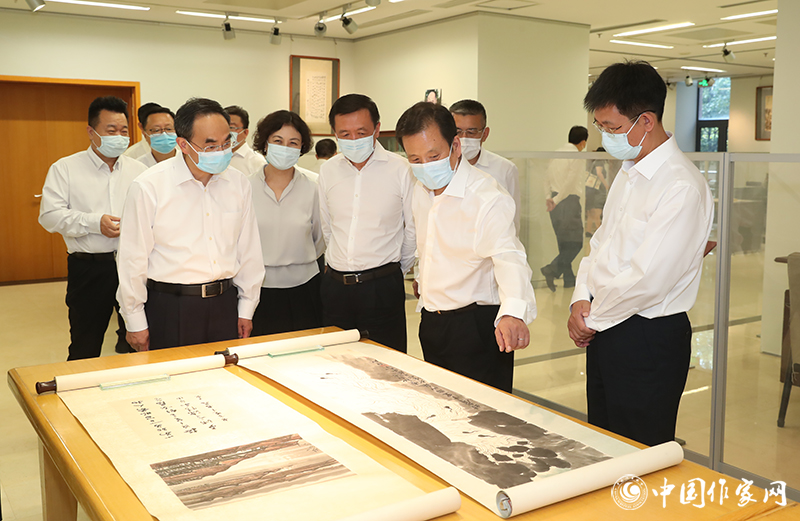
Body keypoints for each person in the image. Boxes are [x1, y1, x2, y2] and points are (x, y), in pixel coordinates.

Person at [568, 61, 714, 447]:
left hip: (647, 337)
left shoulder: (681, 186)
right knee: (604, 442)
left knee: (639, 452)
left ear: (646, 121)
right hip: (605, 325)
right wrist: (581, 297)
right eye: (600, 126)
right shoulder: (628, 172)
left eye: (613, 128)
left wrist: (592, 318)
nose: (606, 137)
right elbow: (600, 243)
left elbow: (649, 279)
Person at [395, 102, 536, 393]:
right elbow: (428, 242)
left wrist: (513, 312)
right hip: (432, 322)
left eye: (433, 156)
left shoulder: (486, 197)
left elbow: (509, 257)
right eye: (415, 159)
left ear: (456, 146)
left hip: (475, 326)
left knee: (485, 411)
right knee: (440, 404)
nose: (425, 166)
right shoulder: (421, 191)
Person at [117, 97, 264, 351]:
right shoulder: (149, 186)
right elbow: (132, 259)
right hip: (171, 305)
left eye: (226, 143)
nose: (221, 152)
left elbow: (249, 249)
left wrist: (247, 307)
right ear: (183, 144)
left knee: (225, 373)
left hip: (225, 303)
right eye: (210, 146)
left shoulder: (238, 183)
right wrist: (135, 321)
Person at [39, 96, 147, 360]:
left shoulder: (139, 170)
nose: (119, 137)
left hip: (133, 266)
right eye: (111, 130)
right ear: (91, 131)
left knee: (138, 340)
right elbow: (49, 216)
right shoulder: (65, 168)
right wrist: (94, 223)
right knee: (85, 343)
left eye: (124, 131)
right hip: (89, 268)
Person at [319, 93, 415, 353]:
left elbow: (413, 230)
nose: (353, 140)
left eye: (361, 132)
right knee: (336, 361)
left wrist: (394, 271)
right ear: (335, 134)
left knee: (386, 361)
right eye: (345, 134)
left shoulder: (402, 169)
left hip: (381, 287)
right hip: (335, 288)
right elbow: (328, 227)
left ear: (377, 129)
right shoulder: (328, 170)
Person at [249, 110, 324, 336]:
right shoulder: (245, 188)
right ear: (265, 144)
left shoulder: (313, 188)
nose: (285, 148)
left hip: (305, 287)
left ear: (302, 148)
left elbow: (320, 239)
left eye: (293, 143)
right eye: (278, 141)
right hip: (257, 289)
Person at [449, 99, 521, 232]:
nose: (464, 138)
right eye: (458, 131)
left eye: (471, 132)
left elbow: (513, 221)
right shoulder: (439, 168)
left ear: (485, 134)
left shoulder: (505, 169)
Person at [541, 126, 588, 292]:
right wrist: (557, 199)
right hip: (567, 201)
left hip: (555, 200)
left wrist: (549, 197)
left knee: (564, 243)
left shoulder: (556, 154)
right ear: (583, 142)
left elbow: (546, 178)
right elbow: (570, 181)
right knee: (576, 243)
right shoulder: (576, 156)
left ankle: (569, 279)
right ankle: (551, 270)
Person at [225, 105, 267, 175]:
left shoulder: (257, 161)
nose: (226, 131)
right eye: (223, 127)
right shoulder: (214, 156)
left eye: (232, 127)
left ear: (245, 132)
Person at [585, 146, 610, 237]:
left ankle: (588, 230)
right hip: (598, 190)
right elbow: (599, 173)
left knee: (592, 211)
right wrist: (606, 185)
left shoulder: (594, 162)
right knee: (597, 210)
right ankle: (599, 232)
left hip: (591, 189)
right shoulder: (600, 161)